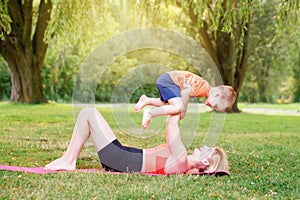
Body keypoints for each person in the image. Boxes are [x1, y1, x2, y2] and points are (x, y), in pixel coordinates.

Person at [45, 107, 229, 174]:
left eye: (207, 149)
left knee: (88, 113)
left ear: (205, 161)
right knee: (88, 114)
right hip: (122, 157)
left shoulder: (181, 159)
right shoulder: (180, 162)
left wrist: (182, 98)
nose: (203, 146)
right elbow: (172, 116)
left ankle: (69, 160)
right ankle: (68, 158)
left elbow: (171, 122)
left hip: (120, 159)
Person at [134, 70, 237, 128]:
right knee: (178, 107)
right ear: (217, 95)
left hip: (167, 79)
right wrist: (183, 111)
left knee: (169, 105)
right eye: (215, 106)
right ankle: (150, 113)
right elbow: (185, 92)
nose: (212, 107)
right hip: (170, 81)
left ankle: (146, 100)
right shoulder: (204, 89)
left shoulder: (204, 86)